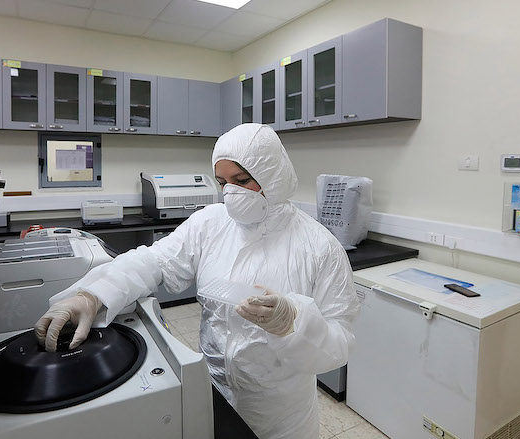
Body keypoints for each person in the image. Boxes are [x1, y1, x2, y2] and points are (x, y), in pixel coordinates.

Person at [34, 123, 360, 439]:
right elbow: (152, 260)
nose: (230, 192)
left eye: (242, 179)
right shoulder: (210, 223)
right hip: (212, 389)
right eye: (222, 181)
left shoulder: (319, 246)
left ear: (271, 174)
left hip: (280, 411)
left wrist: (293, 323)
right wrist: (92, 295)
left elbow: (339, 342)